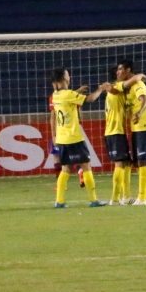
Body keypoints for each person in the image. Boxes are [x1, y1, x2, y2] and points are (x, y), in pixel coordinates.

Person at [50, 68, 106, 208]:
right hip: (74, 138)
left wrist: (77, 91)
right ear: (64, 78)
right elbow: (91, 99)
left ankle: (59, 201)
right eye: (67, 74)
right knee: (86, 166)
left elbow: (68, 97)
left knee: (66, 170)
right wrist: (101, 89)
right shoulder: (68, 94)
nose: (69, 76)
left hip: (62, 139)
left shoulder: (55, 95)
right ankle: (94, 200)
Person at [100, 64, 146, 205]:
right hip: (115, 132)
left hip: (116, 131)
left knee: (126, 163)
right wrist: (140, 76)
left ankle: (125, 196)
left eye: (121, 70)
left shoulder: (114, 90)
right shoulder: (117, 87)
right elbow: (132, 81)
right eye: (118, 70)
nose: (120, 72)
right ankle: (114, 199)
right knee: (120, 164)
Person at [120, 61, 146, 206]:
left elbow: (145, 100)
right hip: (136, 128)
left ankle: (142, 198)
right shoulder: (129, 87)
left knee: (142, 160)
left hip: (144, 126)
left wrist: (139, 114)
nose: (119, 72)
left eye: (121, 69)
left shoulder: (138, 85)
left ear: (128, 70)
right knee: (138, 161)